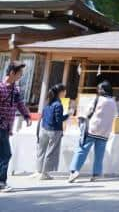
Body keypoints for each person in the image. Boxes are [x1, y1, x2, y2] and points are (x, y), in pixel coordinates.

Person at [68, 80, 118, 183]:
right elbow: (115, 115)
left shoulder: (98, 99)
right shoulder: (113, 102)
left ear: (102, 90)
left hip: (92, 129)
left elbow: (88, 111)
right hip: (104, 132)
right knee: (99, 154)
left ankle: (74, 170)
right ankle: (96, 174)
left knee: (82, 150)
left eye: (99, 88)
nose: (98, 90)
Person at [0, 61, 32, 192]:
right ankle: (1, 182)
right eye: (19, 74)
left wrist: (27, 116)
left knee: (3, 154)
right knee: (6, 154)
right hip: (1, 126)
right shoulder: (0, 88)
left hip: (7, 127)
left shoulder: (16, 89)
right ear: (12, 73)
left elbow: (20, 104)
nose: (21, 77)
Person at [36, 83, 70, 180]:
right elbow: (58, 120)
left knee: (41, 151)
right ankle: (45, 173)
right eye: (64, 91)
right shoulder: (58, 104)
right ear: (61, 92)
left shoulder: (48, 102)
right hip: (54, 131)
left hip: (44, 129)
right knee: (50, 152)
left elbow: (44, 116)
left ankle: (38, 171)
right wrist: (68, 115)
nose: (65, 92)